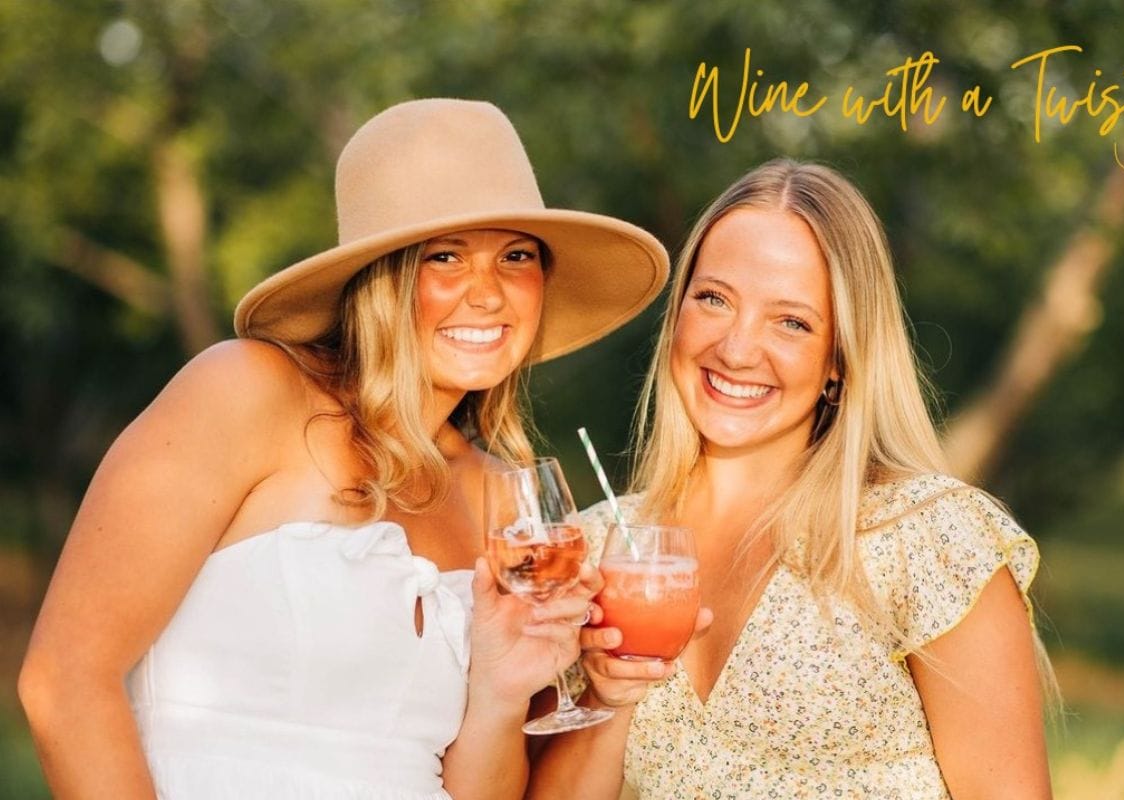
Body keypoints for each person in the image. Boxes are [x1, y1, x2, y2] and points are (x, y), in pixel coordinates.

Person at [18, 98, 668, 799]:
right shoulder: (245, 392)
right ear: (383, 277)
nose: (488, 295)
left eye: (516, 257)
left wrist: (500, 698)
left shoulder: (499, 500)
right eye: (445, 257)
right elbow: (63, 683)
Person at [528, 159, 1054, 799]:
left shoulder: (925, 537)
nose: (738, 349)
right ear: (679, 314)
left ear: (839, 359)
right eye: (714, 299)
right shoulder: (600, 548)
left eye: (792, 321)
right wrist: (608, 699)